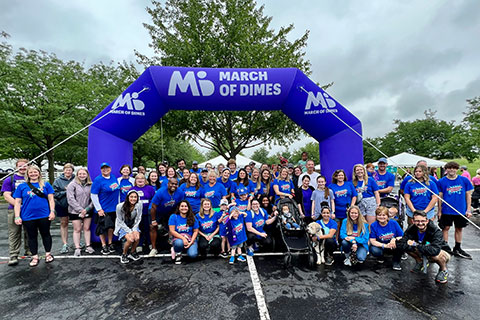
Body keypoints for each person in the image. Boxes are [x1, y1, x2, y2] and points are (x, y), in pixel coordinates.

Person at [13, 165, 56, 267]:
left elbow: (51, 199)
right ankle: (35, 256)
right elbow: (18, 202)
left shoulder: (46, 185)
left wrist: (52, 211)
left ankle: (48, 254)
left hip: (44, 215)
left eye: (35, 172)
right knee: (31, 237)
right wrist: (17, 216)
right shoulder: (22, 186)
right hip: (28, 216)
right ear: (27, 174)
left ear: (39, 173)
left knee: (46, 234)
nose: (33, 174)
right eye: (31, 172)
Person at [397, 211, 451, 283]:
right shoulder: (411, 229)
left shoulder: (435, 231)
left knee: (435, 255)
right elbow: (401, 244)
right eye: (417, 221)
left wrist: (415, 245)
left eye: (423, 221)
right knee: (405, 245)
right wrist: (412, 246)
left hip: (441, 251)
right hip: (423, 248)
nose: (420, 223)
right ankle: (420, 262)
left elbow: (435, 250)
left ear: (427, 220)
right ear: (413, 221)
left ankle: (443, 270)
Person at [437, 161, 474, 259]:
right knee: (445, 228)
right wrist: (439, 211)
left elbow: (468, 195)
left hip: (460, 209)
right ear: (446, 169)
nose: (452, 170)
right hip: (447, 210)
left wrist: (468, 209)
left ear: (457, 169)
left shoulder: (464, 180)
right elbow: (439, 196)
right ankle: (445, 247)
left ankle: (457, 248)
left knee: (459, 228)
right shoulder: (441, 181)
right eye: (449, 168)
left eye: (454, 168)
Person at [1, 159, 30, 266]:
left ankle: (30, 250)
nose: (23, 168)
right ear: (16, 167)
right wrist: (19, 206)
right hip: (13, 209)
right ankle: (13, 254)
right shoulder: (10, 179)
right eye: (20, 166)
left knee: (30, 231)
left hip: (29, 210)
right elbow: (6, 195)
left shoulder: (31, 178)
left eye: (25, 166)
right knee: (14, 232)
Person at [90, 162, 120, 255]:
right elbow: (93, 195)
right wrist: (99, 209)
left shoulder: (113, 177)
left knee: (111, 227)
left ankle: (110, 243)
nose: (105, 170)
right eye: (103, 168)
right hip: (103, 209)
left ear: (110, 169)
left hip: (113, 208)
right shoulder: (98, 180)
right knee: (102, 228)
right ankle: (103, 245)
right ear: (101, 170)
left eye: (107, 168)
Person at [149, 178, 184, 256]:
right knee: (152, 227)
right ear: (168, 184)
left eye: (175, 184)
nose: (173, 186)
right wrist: (154, 220)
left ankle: (172, 244)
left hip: (169, 211)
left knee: (172, 226)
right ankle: (154, 248)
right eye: (172, 184)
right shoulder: (160, 192)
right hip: (157, 211)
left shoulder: (180, 192)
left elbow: (179, 205)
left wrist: (174, 216)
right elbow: (153, 206)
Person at [66, 167, 95, 256]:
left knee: (86, 228)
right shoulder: (72, 185)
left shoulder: (91, 185)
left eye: (84, 174)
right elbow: (70, 199)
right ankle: (77, 247)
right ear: (77, 175)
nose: (82, 175)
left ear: (87, 175)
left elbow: (93, 198)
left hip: (88, 210)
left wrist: (86, 209)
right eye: (80, 174)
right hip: (75, 211)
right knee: (77, 229)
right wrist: (80, 210)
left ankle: (88, 246)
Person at [369, 206, 404, 270]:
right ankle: (380, 257)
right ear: (376, 216)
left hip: (393, 244)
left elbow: (402, 236)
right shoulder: (373, 225)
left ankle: (396, 261)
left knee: (401, 244)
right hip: (381, 245)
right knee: (374, 250)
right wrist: (385, 246)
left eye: (384, 215)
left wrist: (394, 239)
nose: (381, 217)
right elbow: (372, 241)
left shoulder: (394, 223)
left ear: (388, 216)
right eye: (379, 215)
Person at [114, 190, 142, 264]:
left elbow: (138, 218)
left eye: (135, 197)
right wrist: (129, 231)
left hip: (133, 225)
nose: (133, 199)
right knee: (130, 239)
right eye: (131, 197)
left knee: (137, 237)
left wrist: (134, 229)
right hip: (122, 225)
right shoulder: (119, 206)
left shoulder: (139, 205)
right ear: (128, 197)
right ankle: (124, 254)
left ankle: (132, 253)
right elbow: (120, 221)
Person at [130, 173, 155, 253]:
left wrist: (150, 208)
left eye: (142, 178)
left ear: (145, 180)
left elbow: (154, 200)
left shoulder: (150, 188)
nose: (140, 180)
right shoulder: (132, 189)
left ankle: (150, 243)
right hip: (136, 214)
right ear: (135, 180)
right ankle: (139, 244)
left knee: (148, 228)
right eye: (138, 178)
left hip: (147, 213)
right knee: (138, 229)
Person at [53, 163, 75, 254]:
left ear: (72, 171)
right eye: (66, 169)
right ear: (63, 170)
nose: (68, 171)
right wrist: (66, 191)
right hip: (62, 205)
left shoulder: (76, 179)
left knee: (77, 224)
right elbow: (54, 194)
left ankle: (76, 242)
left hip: (74, 205)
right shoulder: (58, 181)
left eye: (70, 170)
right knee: (64, 223)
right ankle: (65, 243)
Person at [169, 200, 199, 264]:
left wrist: (191, 242)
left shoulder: (193, 217)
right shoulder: (174, 217)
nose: (184, 208)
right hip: (178, 239)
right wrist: (183, 239)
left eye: (186, 206)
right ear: (179, 208)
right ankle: (178, 252)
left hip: (190, 238)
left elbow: (196, 231)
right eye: (182, 206)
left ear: (188, 208)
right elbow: (172, 231)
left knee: (193, 255)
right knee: (179, 243)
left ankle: (186, 248)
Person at [329, 169, 357, 239]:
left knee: (347, 227)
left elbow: (354, 196)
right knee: (337, 228)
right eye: (338, 175)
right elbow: (329, 199)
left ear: (344, 176)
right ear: (335, 177)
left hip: (347, 211)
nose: (340, 177)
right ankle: (337, 242)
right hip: (336, 211)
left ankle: (347, 241)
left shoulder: (349, 184)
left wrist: (352, 206)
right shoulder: (331, 186)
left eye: (342, 175)